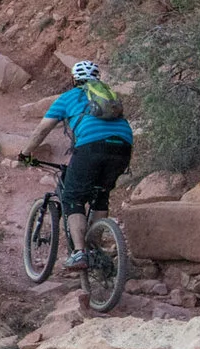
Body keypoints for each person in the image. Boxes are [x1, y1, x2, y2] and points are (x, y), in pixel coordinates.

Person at [17, 60, 135, 270]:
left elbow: (42, 130)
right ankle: (95, 250)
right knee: (101, 195)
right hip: (123, 146)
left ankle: (80, 252)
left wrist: (25, 154)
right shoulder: (110, 96)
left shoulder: (69, 97)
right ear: (97, 79)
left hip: (92, 146)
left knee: (73, 197)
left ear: (74, 79)